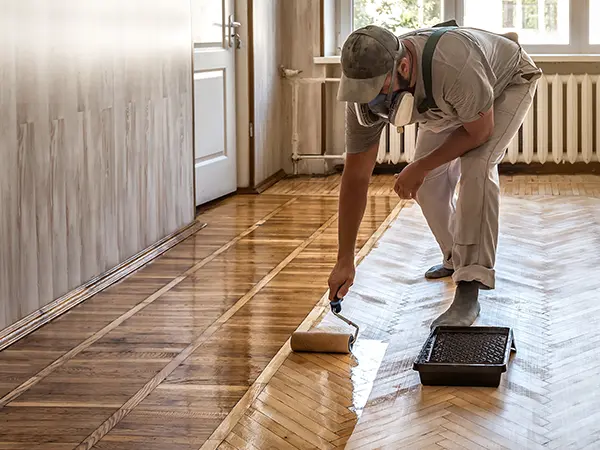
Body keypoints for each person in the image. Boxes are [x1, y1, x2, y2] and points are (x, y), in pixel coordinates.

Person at [327, 22, 542, 328]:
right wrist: (344, 258)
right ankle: (455, 257)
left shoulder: (452, 63)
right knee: (426, 185)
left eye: (378, 90)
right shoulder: (362, 97)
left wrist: (420, 165)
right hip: (449, 98)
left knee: (477, 166)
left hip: (506, 81)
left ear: (403, 66)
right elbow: (356, 178)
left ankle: (470, 286)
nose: (371, 101)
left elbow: (479, 132)